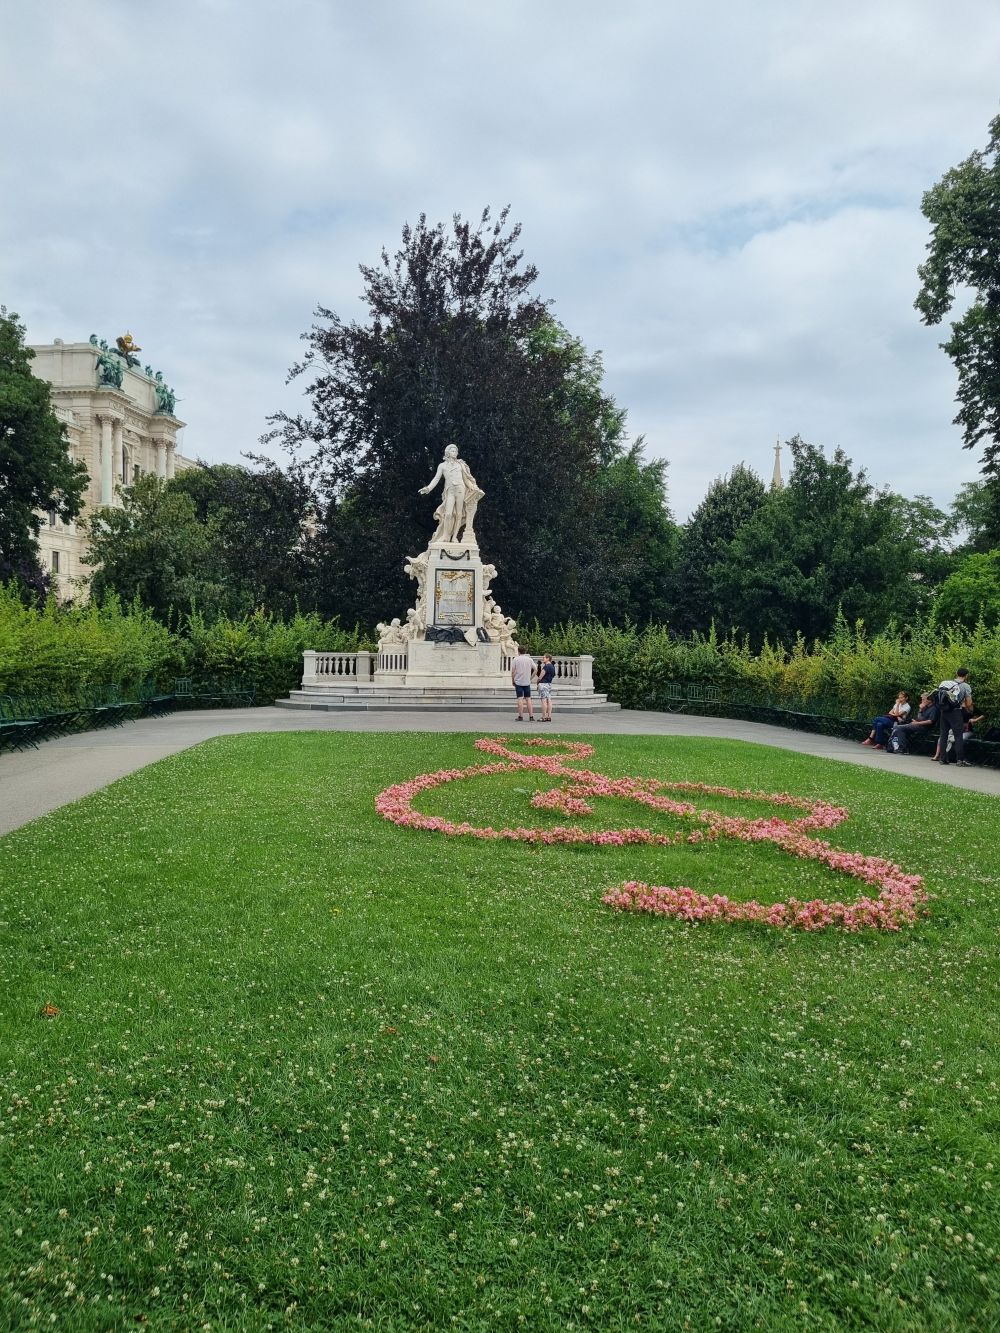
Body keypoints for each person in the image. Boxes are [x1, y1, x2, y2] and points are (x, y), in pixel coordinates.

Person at [418, 444, 485, 545]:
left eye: (456, 451)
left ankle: (454, 537)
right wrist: (428, 488)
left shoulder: (460, 465)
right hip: (450, 491)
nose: (455, 453)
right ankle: (445, 536)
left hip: (460, 490)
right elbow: (436, 478)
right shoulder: (442, 466)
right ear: (448, 452)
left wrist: (474, 487)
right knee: (448, 514)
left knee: (459, 514)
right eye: (452, 451)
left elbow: (466, 480)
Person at [935, 668, 973, 766]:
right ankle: (960, 760)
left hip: (944, 711)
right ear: (966, 675)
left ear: (956, 673)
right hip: (956, 712)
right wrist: (969, 710)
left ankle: (943, 759)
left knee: (943, 735)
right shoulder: (965, 686)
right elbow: (968, 703)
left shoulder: (947, 684)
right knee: (958, 736)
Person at [511, 645, 535, 721]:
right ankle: (531, 716)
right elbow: (535, 669)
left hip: (518, 682)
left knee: (520, 699)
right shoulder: (529, 659)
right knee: (528, 699)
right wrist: (530, 678)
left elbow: (513, 672)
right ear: (525, 651)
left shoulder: (516, 659)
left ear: (518, 651)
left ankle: (521, 716)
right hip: (527, 682)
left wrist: (513, 680)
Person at [538, 653, 556, 722]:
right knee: (549, 700)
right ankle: (549, 716)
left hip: (543, 684)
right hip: (549, 684)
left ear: (548, 658)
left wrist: (537, 682)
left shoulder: (546, 667)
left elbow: (540, 676)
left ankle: (543, 717)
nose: (543, 659)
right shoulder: (552, 667)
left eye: (544, 657)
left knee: (544, 700)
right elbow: (553, 675)